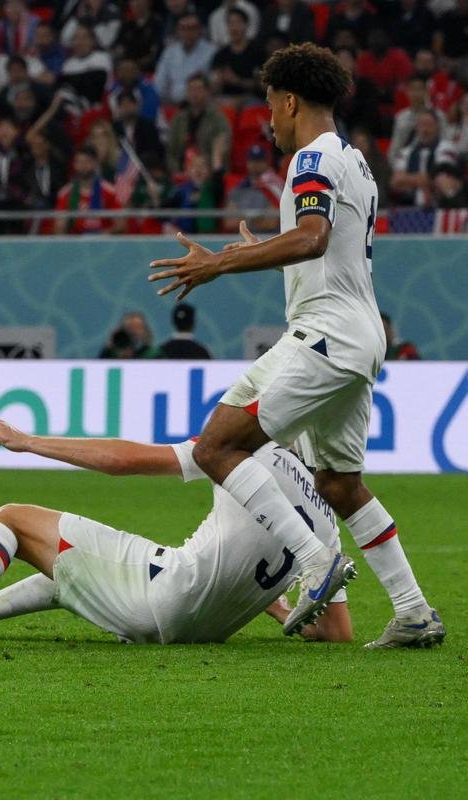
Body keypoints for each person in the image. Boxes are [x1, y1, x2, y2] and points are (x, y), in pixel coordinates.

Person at [149, 44, 443, 648]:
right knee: (338, 484)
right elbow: (320, 246)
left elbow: (312, 239)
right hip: (356, 336)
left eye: (270, 106)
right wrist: (268, 247)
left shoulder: (309, 159)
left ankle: (314, 560)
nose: (269, 120)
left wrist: (224, 261)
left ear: (288, 101)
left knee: (216, 447)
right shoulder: (355, 161)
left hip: (326, 336)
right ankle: (413, 610)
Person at [0, 410, 352, 647]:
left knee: (12, 519)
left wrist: (29, 442)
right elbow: (335, 632)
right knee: (72, 568)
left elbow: (123, 460)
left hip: (164, 595)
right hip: (203, 631)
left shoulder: (242, 448)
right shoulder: (325, 524)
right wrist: (264, 601)